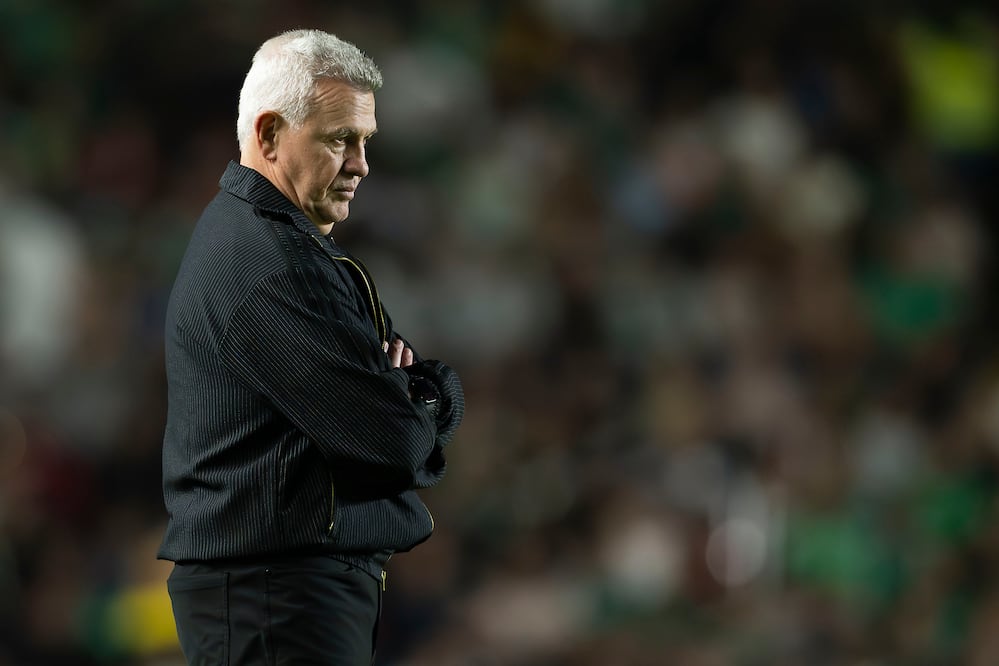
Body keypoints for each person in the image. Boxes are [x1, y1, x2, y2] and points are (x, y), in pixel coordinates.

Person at [158, 29, 464, 665]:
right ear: (268, 135)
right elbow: (395, 444)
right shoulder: (271, 261)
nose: (360, 164)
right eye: (338, 140)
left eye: (364, 141)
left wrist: (403, 396)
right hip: (276, 601)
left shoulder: (263, 241)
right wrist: (428, 398)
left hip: (277, 595)